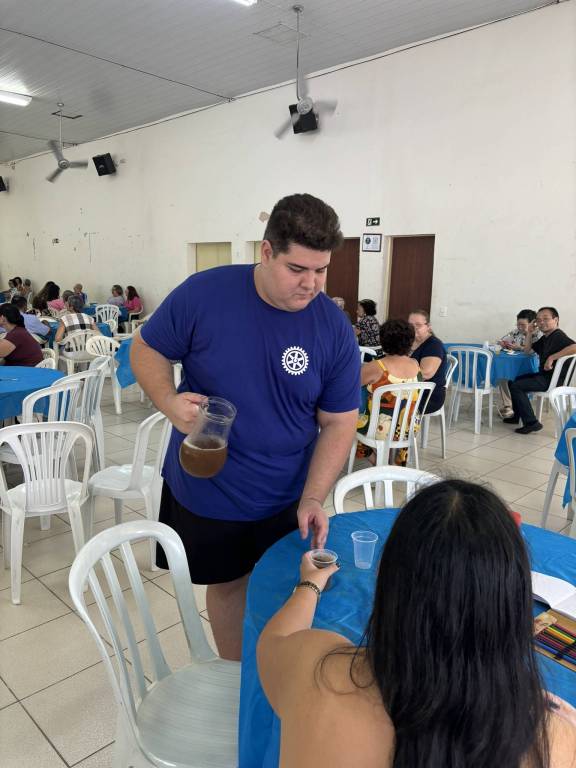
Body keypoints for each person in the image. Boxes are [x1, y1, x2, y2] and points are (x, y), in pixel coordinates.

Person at [130, 193, 360, 661]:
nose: (311, 284)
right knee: (228, 585)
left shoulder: (333, 327)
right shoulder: (204, 294)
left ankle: (276, 670)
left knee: (284, 583)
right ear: (267, 251)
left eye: (321, 270)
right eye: (297, 269)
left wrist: (314, 496)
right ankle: (237, 674)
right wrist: (169, 401)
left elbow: (339, 422)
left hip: (288, 492)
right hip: (210, 485)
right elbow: (146, 347)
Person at [257, 479, 576, 767]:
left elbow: (275, 639)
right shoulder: (553, 741)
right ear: (512, 608)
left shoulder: (320, 671)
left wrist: (309, 584)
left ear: (386, 582)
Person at [358, 319, 423, 465]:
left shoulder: (376, 366)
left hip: (380, 429)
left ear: (383, 341)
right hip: (409, 427)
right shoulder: (415, 364)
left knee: (347, 423)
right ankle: (393, 461)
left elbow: (349, 386)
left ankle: (378, 461)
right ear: (410, 342)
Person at [506, 307, 576, 433]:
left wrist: (552, 357)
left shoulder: (558, 335)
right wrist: (529, 332)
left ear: (556, 320)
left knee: (517, 386)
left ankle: (532, 423)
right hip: (544, 376)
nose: (541, 322)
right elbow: (527, 351)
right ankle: (517, 416)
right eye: (538, 320)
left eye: (546, 319)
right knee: (512, 381)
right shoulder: (546, 338)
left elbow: (575, 347)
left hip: (552, 380)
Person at [497, 309, 542, 418]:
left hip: (533, 367)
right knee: (503, 376)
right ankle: (508, 406)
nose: (520, 327)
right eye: (518, 324)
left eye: (523, 325)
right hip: (516, 364)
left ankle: (520, 405)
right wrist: (503, 343)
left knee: (516, 379)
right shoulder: (516, 332)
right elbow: (502, 340)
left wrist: (519, 348)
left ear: (533, 324)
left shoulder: (539, 335)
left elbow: (534, 352)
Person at [408, 309, 447, 414]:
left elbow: (426, 374)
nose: (413, 328)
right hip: (410, 389)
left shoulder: (434, 345)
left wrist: (397, 374)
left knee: (384, 402)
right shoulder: (408, 341)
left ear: (428, 326)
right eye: (410, 325)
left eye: (418, 325)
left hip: (427, 396)